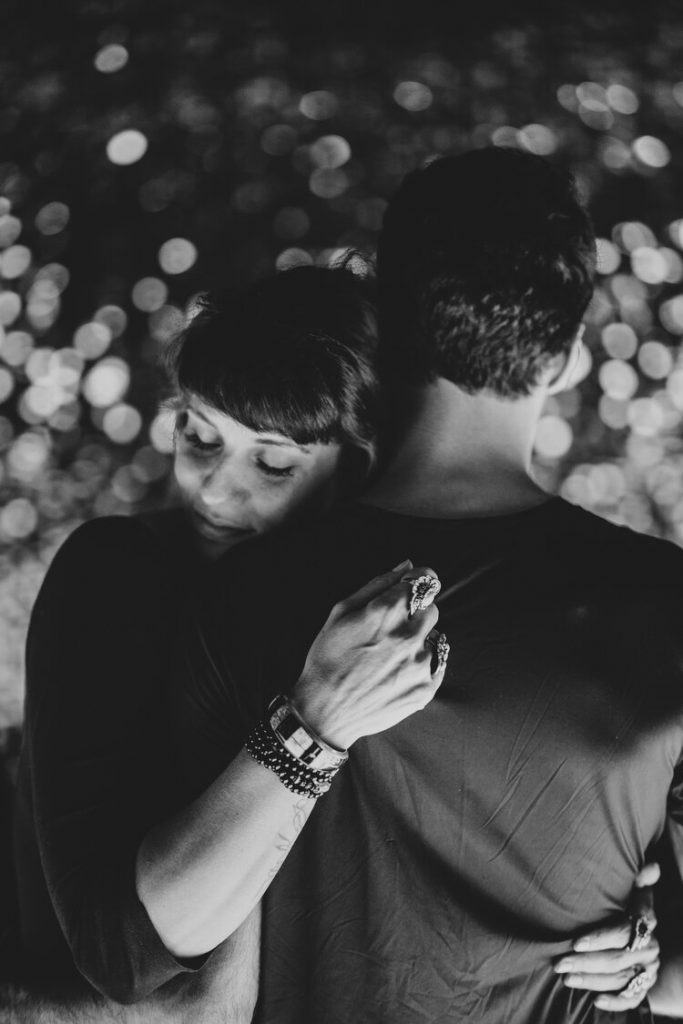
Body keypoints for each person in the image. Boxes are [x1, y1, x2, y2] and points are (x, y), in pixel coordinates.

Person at [145, 148, 681, 1022]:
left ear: (386, 327)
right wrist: (647, 944)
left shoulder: (237, 589)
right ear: (568, 356)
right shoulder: (666, 606)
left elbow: (159, 930)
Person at [10, 263, 445, 1018]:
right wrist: (313, 729)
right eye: (198, 434)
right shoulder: (115, 576)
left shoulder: (372, 614)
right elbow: (116, 951)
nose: (213, 488)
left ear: (355, 465)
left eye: (270, 461)